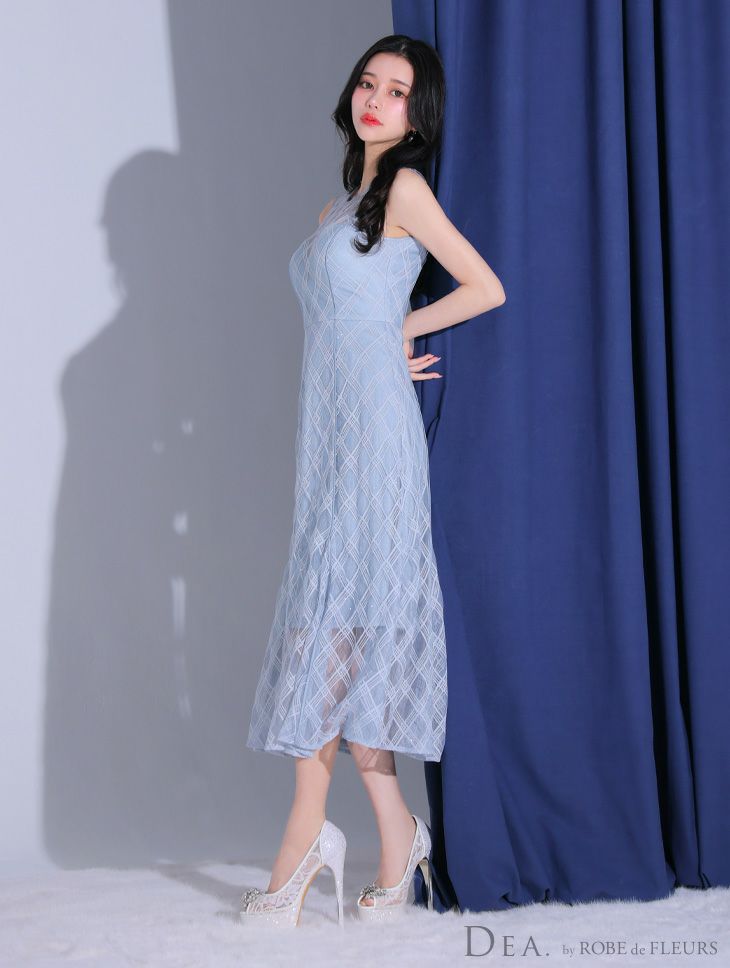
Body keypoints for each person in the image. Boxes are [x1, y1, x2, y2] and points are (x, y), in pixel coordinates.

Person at [242, 33, 506, 927]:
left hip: (376, 437)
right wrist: (377, 334)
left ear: (416, 114)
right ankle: (400, 838)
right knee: (341, 631)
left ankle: (304, 836)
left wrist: (402, 329)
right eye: (368, 82)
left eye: (396, 91)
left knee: (332, 629)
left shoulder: (405, 190)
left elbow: (484, 286)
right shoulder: (339, 205)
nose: (375, 99)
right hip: (329, 433)